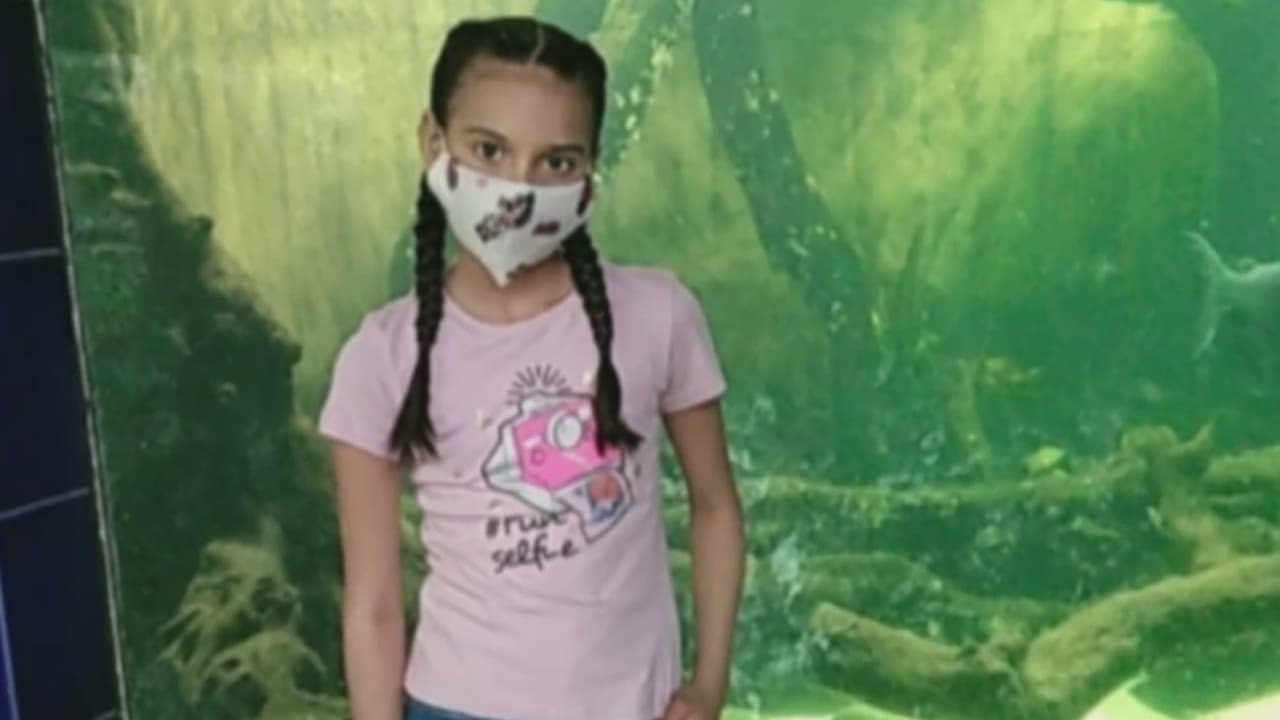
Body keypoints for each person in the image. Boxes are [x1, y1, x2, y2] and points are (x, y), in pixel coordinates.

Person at [319, 16, 745, 720]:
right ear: (434, 143)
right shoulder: (381, 356)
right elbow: (373, 604)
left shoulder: (659, 315)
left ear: (589, 176)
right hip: (455, 705)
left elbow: (716, 507)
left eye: (556, 162)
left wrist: (708, 685)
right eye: (489, 149)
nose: (517, 187)